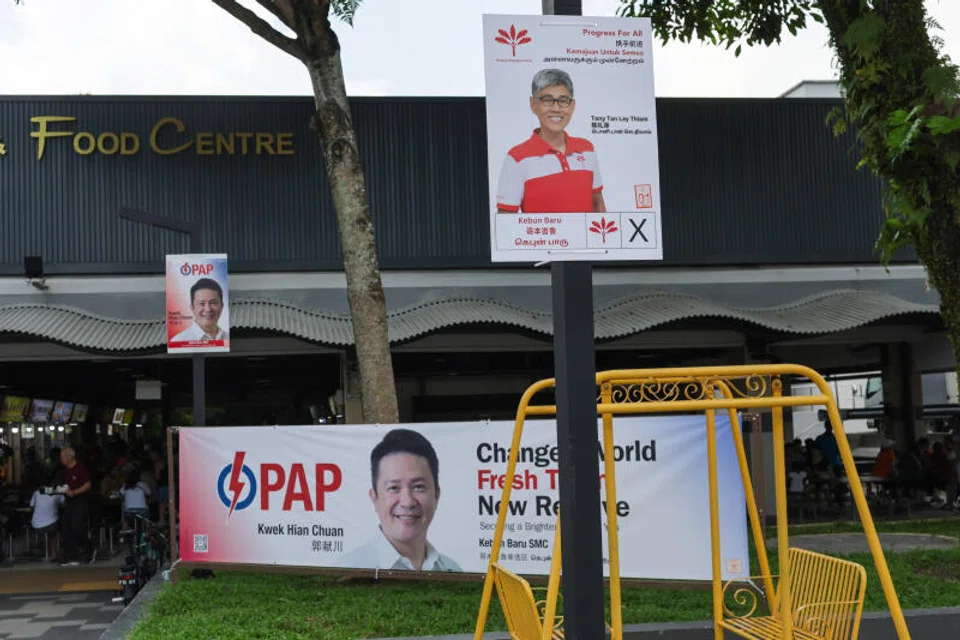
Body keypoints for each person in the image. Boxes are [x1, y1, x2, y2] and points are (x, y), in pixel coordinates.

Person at [338, 429, 460, 572]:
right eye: (394, 488)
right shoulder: (349, 569)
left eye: (418, 487)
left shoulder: (451, 569)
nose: (407, 502)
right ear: (374, 498)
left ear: (436, 495)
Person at [496, 68, 605, 214]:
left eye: (563, 101)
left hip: (587, 238)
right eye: (547, 100)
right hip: (542, 237)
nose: (556, 108)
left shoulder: (587, 149)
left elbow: (597, 201)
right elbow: (506, 218)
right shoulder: (517, 158)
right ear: (533, 104)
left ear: (572, 105)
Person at [59, 447, 96, 566]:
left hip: (80, 501)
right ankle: (72, 557)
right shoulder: (65, 471)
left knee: (77, 527)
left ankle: (89, 549)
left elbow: (88, 485)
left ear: (70, 457)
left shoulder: (81, 468)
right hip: (69, 502)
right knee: (66, 528)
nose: (61, 459)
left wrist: (75, 492)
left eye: (63, 457)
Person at [170, 277, 228, 342]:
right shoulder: (178, 341)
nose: (208, 309)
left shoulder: (229, 338)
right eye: (201, 303)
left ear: (222, 306)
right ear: (192, 308)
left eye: (213, 303)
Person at [30, 482, 65, 559]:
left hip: (36, 524)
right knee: (54, 531)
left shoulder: (36, 493)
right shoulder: (58, 493)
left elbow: (32, 507)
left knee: (47, 530)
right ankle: (54, 553)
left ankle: (44, 548)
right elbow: (64, 505)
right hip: (51, 525)